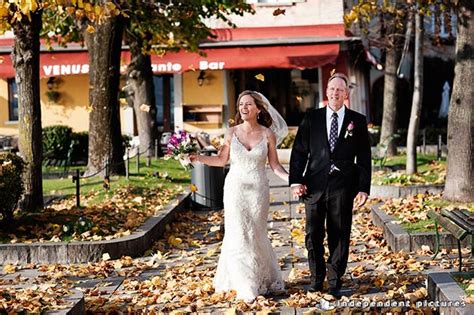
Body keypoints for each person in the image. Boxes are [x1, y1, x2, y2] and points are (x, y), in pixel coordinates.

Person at [190, 90, 289, 302]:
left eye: (248, 104)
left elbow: (275, 165)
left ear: (258, 109)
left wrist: (293, 180)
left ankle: (262, 277)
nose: (243, 108)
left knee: (255, 233)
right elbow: (221, 160)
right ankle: (245, 285)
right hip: (235, 190)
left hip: (258, 192)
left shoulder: (267, 134)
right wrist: (198, 158)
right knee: (238, 234)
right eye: (241, 104)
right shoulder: (231, 132)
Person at [289, 73, 371, 298]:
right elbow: (299, 152)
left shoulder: (358, 120)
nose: (335, 93)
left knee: (340, 233)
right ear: (326, 92)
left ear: (346, 94)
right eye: (332, 89)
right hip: (313, 186)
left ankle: (335, 280)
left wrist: (363, 187)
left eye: (340, 90)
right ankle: (316, 279)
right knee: (313, 234)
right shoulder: (311, 118)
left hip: (343, 186)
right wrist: (296, 181)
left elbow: (364, 157)